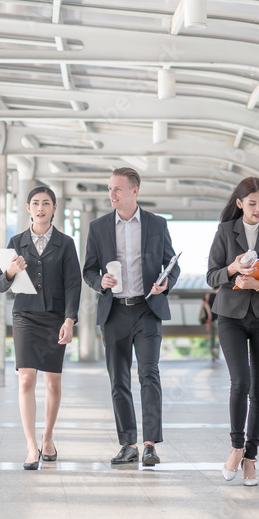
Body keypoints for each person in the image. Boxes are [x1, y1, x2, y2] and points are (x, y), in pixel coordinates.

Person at [82, 167, 180, 466]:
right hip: (114, 313)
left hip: (147, 309)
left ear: (134, 191)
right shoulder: (98, 227)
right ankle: (129, 444)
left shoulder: (156, 224)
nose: (112, 194)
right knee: (118, 380)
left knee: (149, 375)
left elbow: (171, 265)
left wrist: (166, 283)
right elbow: (88, 270)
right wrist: (101, 283)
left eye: (117, 189)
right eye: (110, 188)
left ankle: (150, 445)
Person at [206, 177, 259, 486]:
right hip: (230, 316)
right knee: (239, 381)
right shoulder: (225, 232)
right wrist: (233, 269)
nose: (258, 209)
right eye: (252, 203)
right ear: (240, 203)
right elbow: (211, 276)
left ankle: (251, 458)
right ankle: (236, 447)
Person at [0, 185, 81, 470]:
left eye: (46, 203)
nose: (41, 207)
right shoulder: (16, 241)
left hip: (56, 317)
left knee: (53, 382)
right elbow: (0, 284)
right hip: (25, 316)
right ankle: (31, 446)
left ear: (55, 208)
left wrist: (69, 319)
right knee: (26, 379)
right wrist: (11, 271)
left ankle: (47, 438)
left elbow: (73, 284)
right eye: (35, 203)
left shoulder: (66, 243)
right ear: (28, 209)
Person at [200, 292, 218, 361]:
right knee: (221, 338)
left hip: (209, 320)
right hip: (218, 320)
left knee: (212, 338)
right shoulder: (219, 295)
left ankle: (213, 354)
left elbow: (202, 305)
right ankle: (216, 351)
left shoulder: (207, 295)